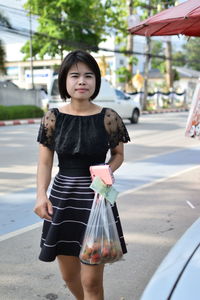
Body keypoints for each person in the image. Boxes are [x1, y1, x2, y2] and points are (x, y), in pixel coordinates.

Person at [34, 49, 130, 300]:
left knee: (91, 282)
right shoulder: (52, 118)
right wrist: (40, 195)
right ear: (65, 80)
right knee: (69, 277)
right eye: (75, 75)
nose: (82, 81)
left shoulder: (108, 117)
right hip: (62, 201)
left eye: (89, 76)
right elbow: (45, 163)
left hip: (96, 200)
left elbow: (118, 155)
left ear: (96, 81)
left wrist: (107, 171)